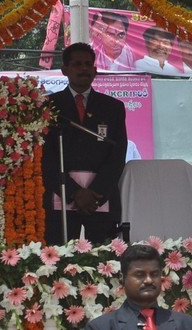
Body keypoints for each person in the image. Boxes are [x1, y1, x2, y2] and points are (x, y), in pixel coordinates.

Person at [41, 42, 128, 244]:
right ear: (65, 70)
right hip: (60, 198)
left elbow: (117, 156)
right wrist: (73, 193)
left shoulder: (113, 107)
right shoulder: (48, 106)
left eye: (88, 64)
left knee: (104, 263)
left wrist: (94, 194)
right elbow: (46, 158)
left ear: (95, 70)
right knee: (57, 261)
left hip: (100, 199)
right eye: (77, 64)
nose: (84, 69)